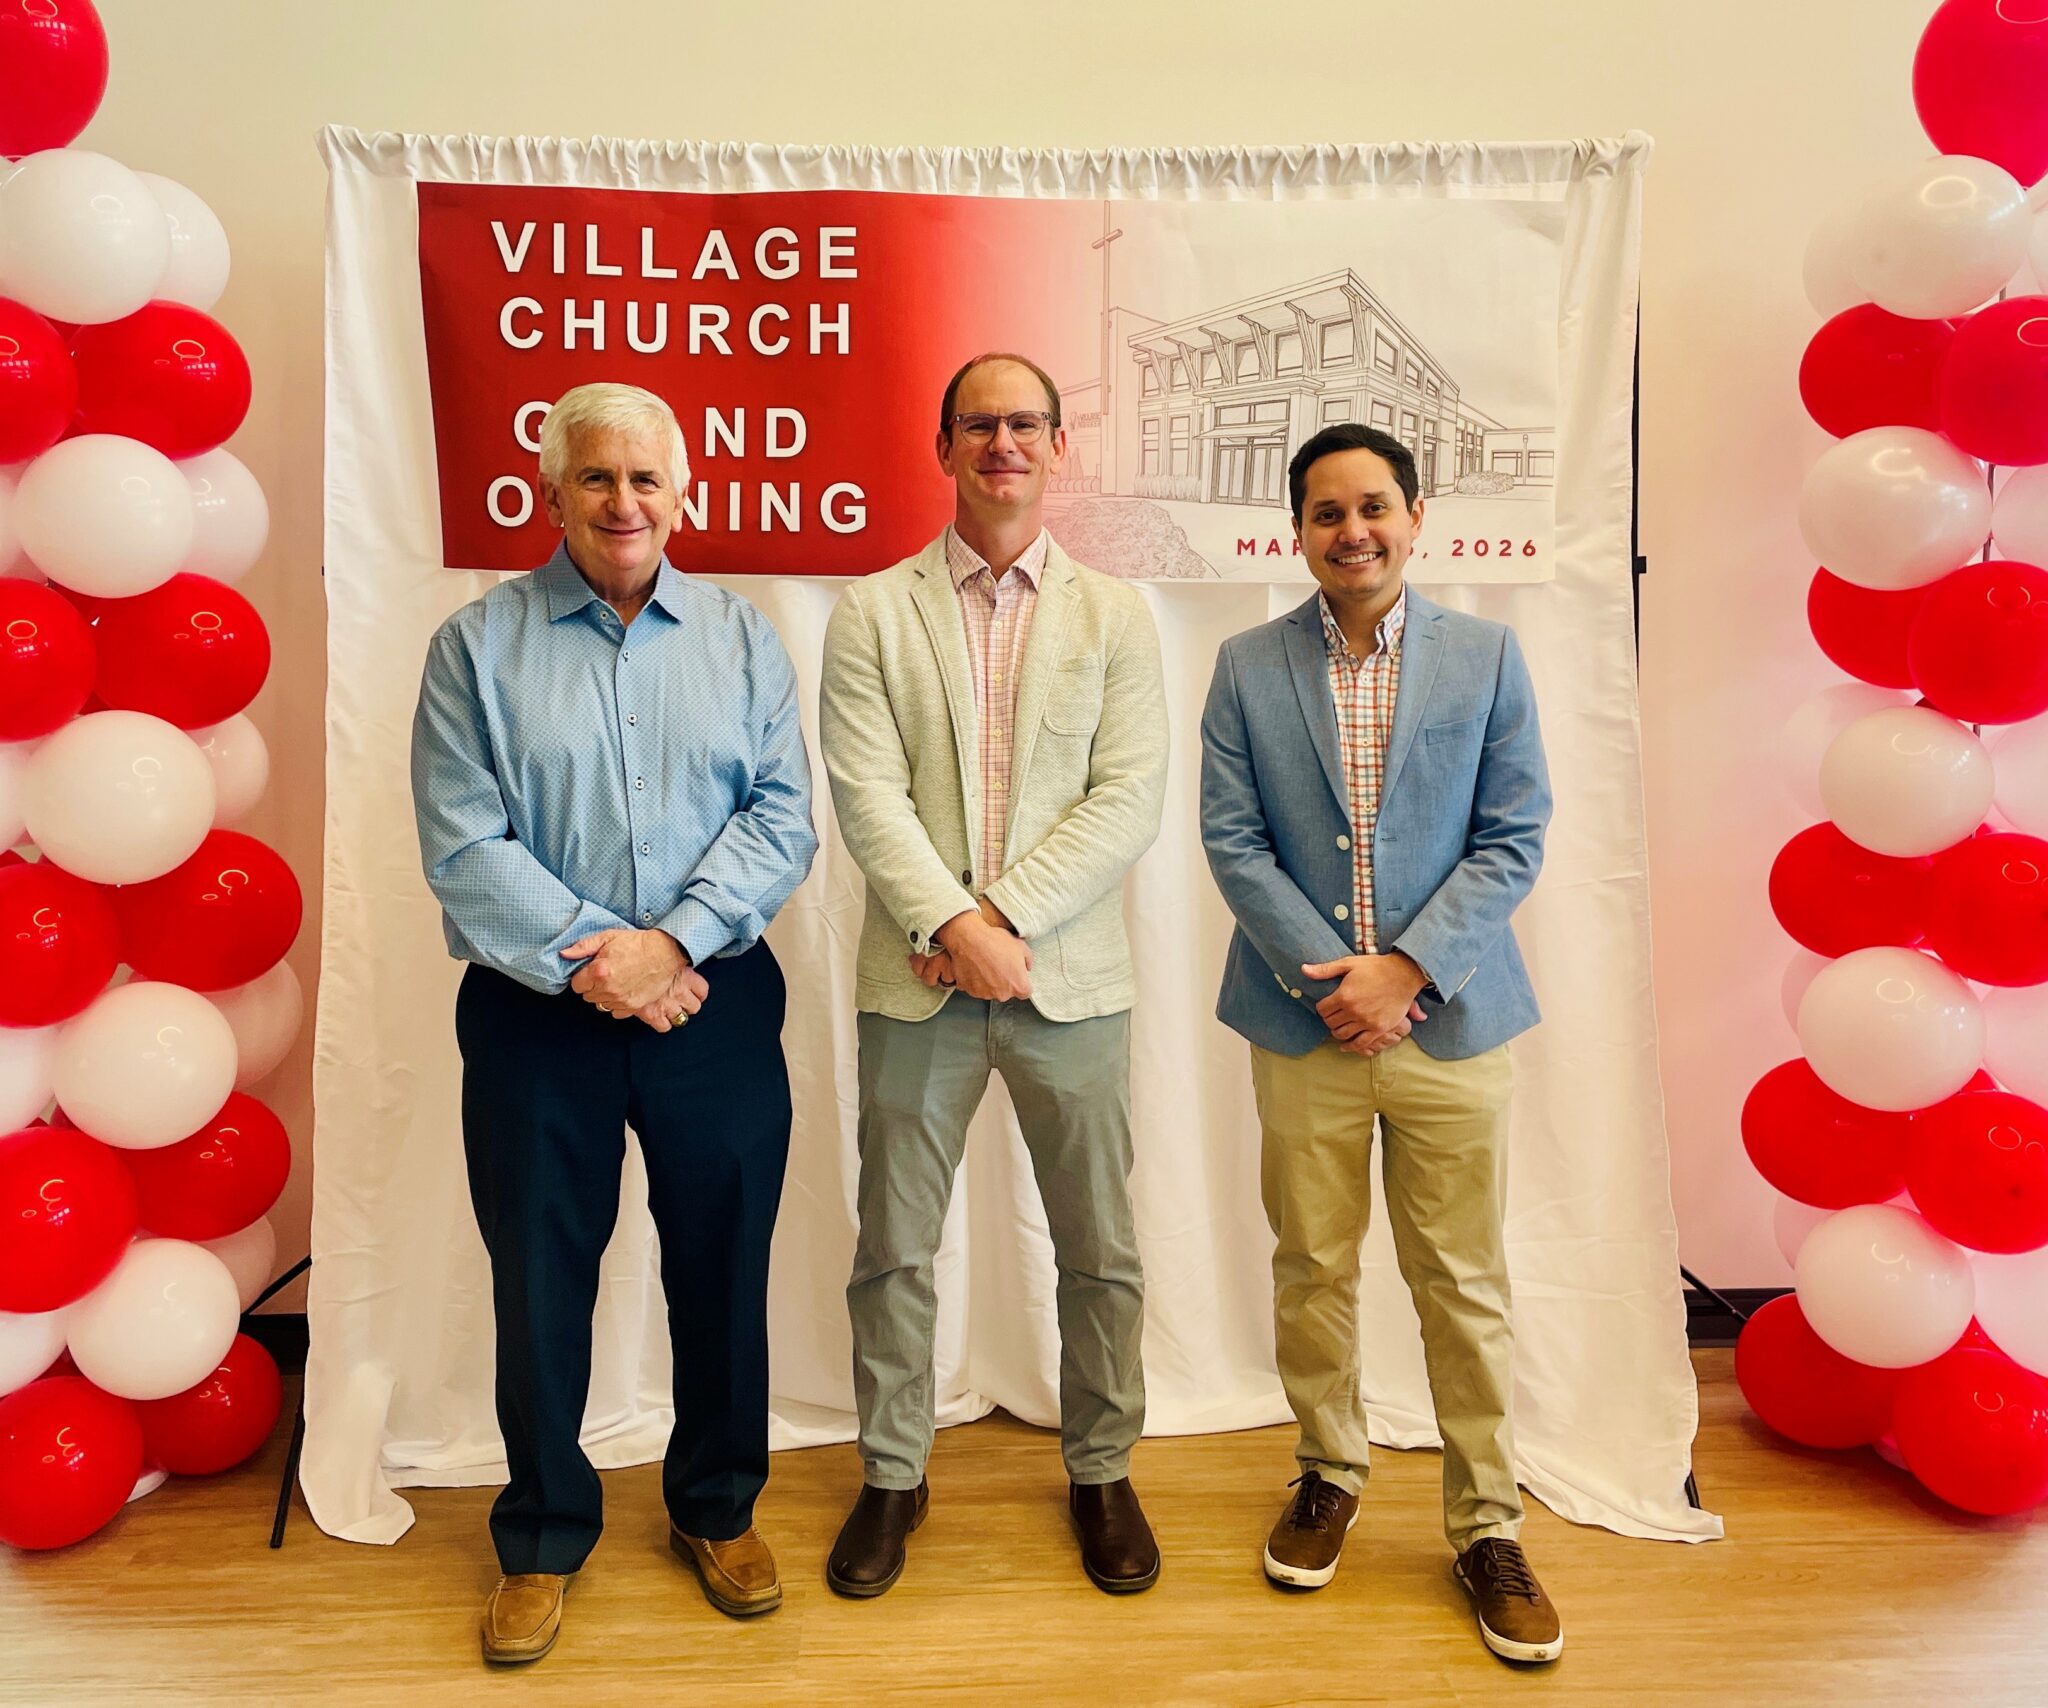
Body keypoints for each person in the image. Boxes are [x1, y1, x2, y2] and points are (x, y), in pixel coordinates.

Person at [410, 381, 817, 1664]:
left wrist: (673, 944)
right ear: (553, 491)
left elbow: (780, 816)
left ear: (681, 490)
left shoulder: (744, 640)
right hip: (538, 1013)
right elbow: (462, 841)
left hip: (714, 997)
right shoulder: (473, 647)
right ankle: (537, 1537)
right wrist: (604, 961)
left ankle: (717, 1505)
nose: (624, 501)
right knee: (539, 1281)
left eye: (646, 478)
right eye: (597, 478)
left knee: (722, 1264)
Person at [1198, 422, 1560, 1663]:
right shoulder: (1245, 665)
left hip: (1450, 1025)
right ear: (1293, 530)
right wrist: (1334, 988)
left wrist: (1404, 971)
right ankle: (1327, 1473)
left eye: (1371, 508)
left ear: (1414, 516)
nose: (1350, 531)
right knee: (1312, 1264)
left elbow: (1513, 835)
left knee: (1461, 1281)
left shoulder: (1486, 657)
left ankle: (1485, 1523)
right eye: (1324, 513)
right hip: (1302, 1031)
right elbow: (1232, 841)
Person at [817, 352, 1169, 1596]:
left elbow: (1127, 799)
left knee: (1100, 1245)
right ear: (943, 447)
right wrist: (949, 926)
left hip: (1068, 981)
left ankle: (1102, 1466)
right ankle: (892, 1473)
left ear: (1058, 447)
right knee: (895, 1248)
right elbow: (864, 792)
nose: (1003, 443)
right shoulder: (871, 611)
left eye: (1025, 423)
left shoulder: (1118, 616)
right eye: (980, 424)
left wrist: (1000, 916)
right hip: (913, 982)